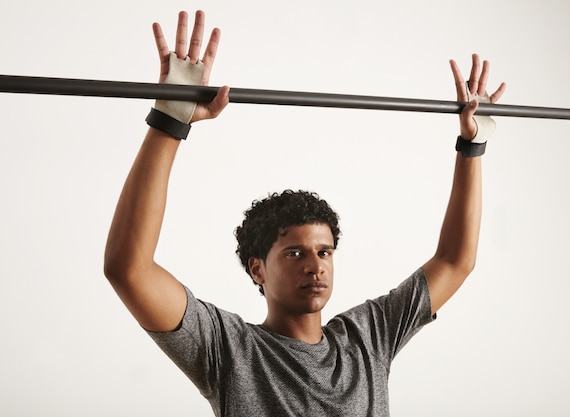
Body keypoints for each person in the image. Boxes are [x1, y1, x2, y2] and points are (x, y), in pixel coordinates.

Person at [104, 10, 506, 417]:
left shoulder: (368, 337)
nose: (316, 266)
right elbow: (129, 269)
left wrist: (473, 148)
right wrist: (169, 121)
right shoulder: (228, 348)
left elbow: (456, 261)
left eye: (325, 252)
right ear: (257, 269)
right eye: (295, 253)